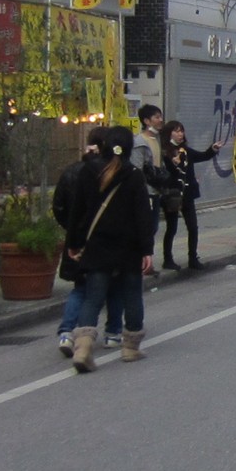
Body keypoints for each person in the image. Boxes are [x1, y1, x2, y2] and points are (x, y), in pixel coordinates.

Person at [63, 126, 156, 372]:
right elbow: (143, 215)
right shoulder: (134, 174)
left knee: (93, 297)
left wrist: (73, 243)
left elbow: (77, 212)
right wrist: (147, 249)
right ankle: (130, 347)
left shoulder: (87, 171)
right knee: (132, 295)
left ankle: (82, 348)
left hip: (97, 245)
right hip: (129, 246)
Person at [51, 135, 119, 354]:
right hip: (104, 240)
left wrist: (71, 229)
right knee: (110, 288)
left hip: (77, 239)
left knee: (80, 289)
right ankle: (112, 332)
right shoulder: (109, 173)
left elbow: (58, 206)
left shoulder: (71, 171)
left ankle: (66, 332)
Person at [158, 120, 215, 272]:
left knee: (193, 227)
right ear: (169, 133)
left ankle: (192, 258)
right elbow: (165, 172)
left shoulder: (186, 151)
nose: (180, 134)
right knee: (172, 227)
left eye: (181, 131)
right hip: (172, 194)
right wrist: (174, 162)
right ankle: (167, 259)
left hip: (187, 194)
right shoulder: (164, 152)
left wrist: (213, 149)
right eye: (176, 131)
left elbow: (203, 156)